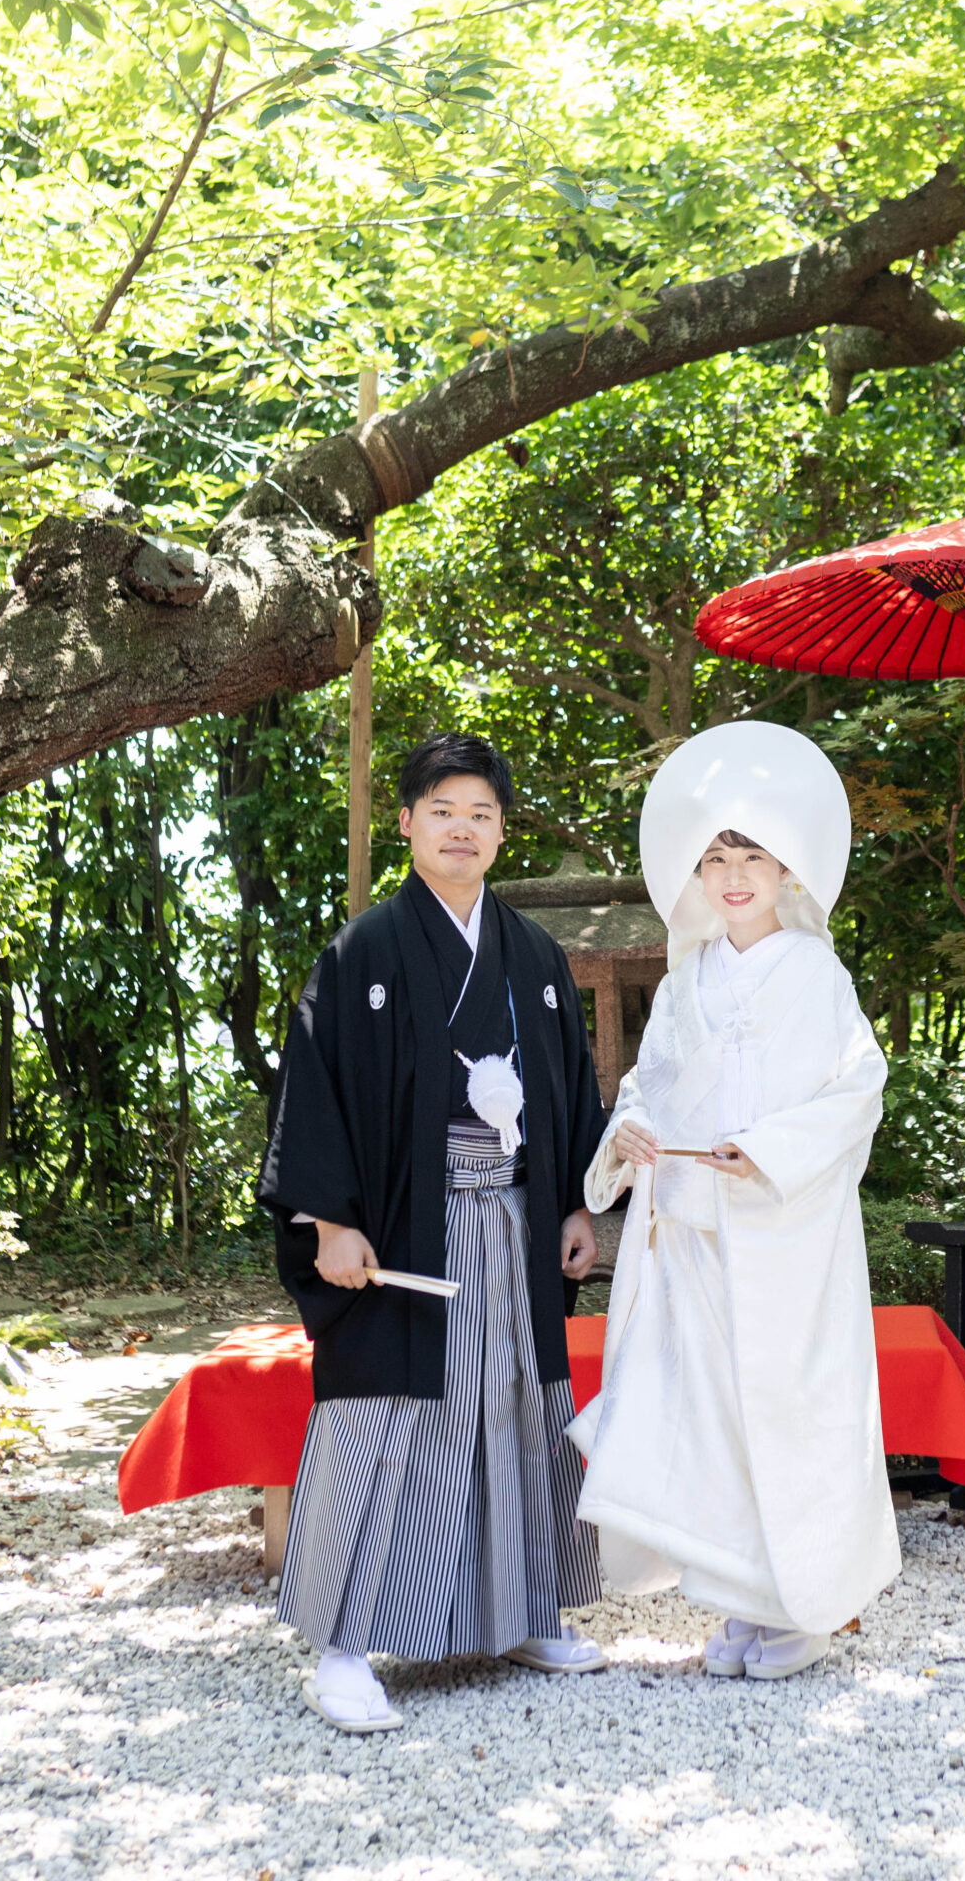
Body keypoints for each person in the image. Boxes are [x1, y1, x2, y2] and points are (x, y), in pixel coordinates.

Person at [258, 733, 608, 1732]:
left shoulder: (534, 955)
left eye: (480, 813)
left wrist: (575, 1204)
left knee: (514, 1406)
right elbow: (314, 1089)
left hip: (515, 1220)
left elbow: (570, 1092)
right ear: (406, 822)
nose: (462, 828)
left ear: (501, 832)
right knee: (382, 1419)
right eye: (443, 810)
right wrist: (329, 1221)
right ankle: (341, 1646)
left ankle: (523, 1611)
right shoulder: (363, 951)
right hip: (402, 1231)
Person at [571, 719, 899, 1679]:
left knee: (785, 1412)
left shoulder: (817, 974)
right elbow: (650, 1086)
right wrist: (629, 1134)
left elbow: (858, 1090)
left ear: (786, 868)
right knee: (706, 1418)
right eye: (715, 859)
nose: (733, 876)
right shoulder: (688, 980)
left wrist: (764, 1150)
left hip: (784, 1231)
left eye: (752, 855)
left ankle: (797, 1608)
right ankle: (739, 1598)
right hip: (692, 1235)